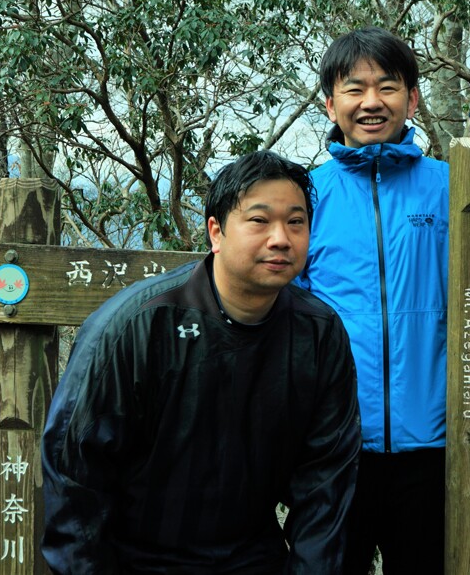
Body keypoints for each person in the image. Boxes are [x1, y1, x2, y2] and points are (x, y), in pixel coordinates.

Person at [41, 150, 362, 574]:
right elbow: (74, 476)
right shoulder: (137, 325)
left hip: (253, 560)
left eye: (296, 222)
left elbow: (325, 485)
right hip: (137, 560)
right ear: (216, 232)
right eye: (259, 220)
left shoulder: (318, 333)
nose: (281, 238)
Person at [298, 26, 470, 573]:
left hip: (435, 448)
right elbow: (285, 311)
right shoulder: (306, 196)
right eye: (354, 89)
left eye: (388, 87)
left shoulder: (453, 186)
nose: (371, 102)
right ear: (330, 103)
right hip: (335, 450)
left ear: (412, 99)